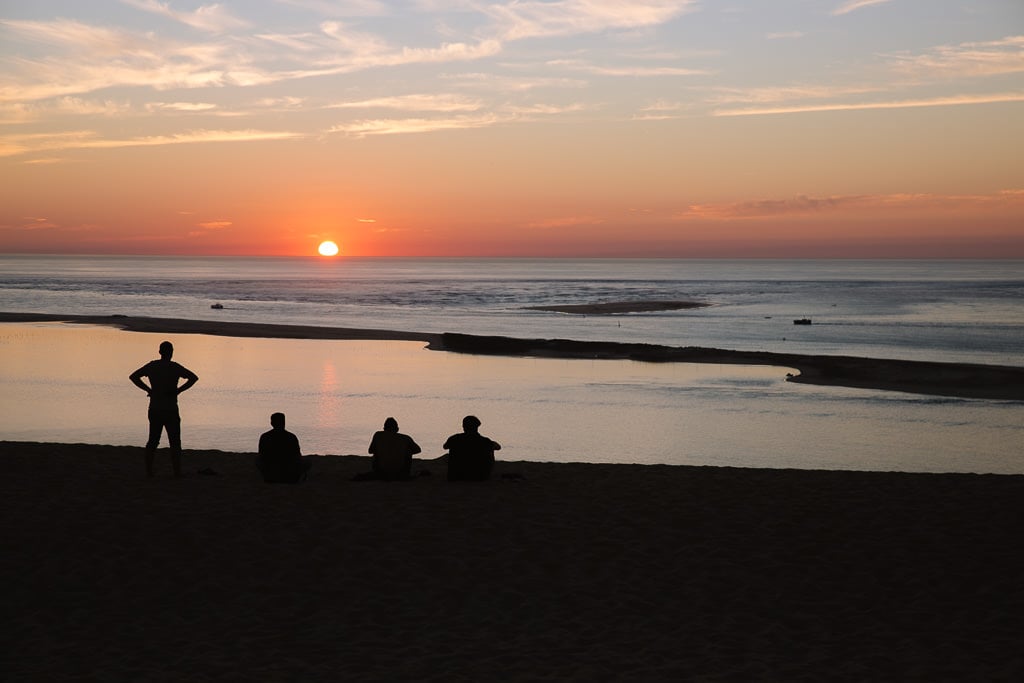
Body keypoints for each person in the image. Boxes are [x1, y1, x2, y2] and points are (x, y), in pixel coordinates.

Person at [129, 340, 198, 477]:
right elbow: (193, 378)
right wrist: (178, 390)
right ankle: (176, 472)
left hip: (155, 408)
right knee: (175, 442)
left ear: (160, 352)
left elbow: (134, 377)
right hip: (170, 409)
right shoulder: (175, 367)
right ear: (171, 353)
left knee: (153, 441)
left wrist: (148, 389)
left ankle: (149, 472)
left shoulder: (152, 366)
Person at [257, 412, 311, 483]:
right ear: (284, 423)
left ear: (272, 423)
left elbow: (261, 454)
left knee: (257, 460)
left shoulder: (265, 437)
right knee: (308, 462)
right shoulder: (291, 437)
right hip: (289, 473)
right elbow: (297, 455)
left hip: (271, 472)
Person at [443, 415, 501, 481]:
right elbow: (498, 447)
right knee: (490, 449)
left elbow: (445, 447)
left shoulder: (454, 438)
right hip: (479, 477)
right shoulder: (484, 441)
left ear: (463, 426)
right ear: (477, 426)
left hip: (455, 476)